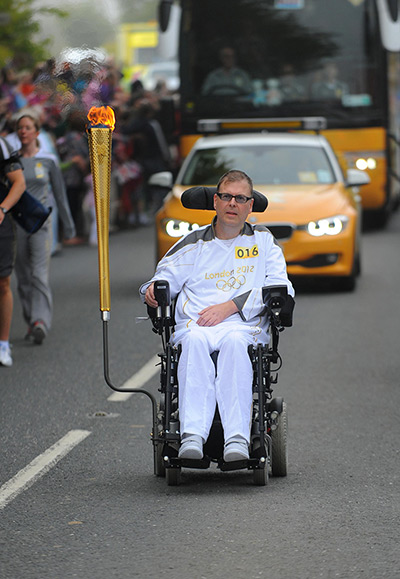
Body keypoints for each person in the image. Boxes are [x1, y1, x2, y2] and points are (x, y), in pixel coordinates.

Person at [140, 170, 294, 462]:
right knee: (194, 342)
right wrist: (152, 290)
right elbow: (163, 278)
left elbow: (281, 287)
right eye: (226, 197)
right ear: (215, 201)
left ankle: (237, 439)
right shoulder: (193, 243)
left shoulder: (263, 242)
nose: (232, 204)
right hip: (196, 325)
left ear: (250, 205)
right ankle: (192, 437)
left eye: (240, 198)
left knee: (235, 342)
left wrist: (232, 306)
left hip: (243, 326)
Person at [14, 112, 76, 345]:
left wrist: (68, 226)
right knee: (22, 276)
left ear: (37, 132)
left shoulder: (48, 159)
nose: (24, 131)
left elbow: (60, 195)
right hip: (17, 223)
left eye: (28, 127)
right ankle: (31, 318)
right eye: (20, 128)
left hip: (41, 222)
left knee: (39, 274)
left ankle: (41, 321)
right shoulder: (12, 161)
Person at [0, 136, 26, 367]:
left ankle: (3, 343)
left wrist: (3, 208)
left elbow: (19, 182)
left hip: (0, 224)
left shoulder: (2, 145)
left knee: (3, 283)